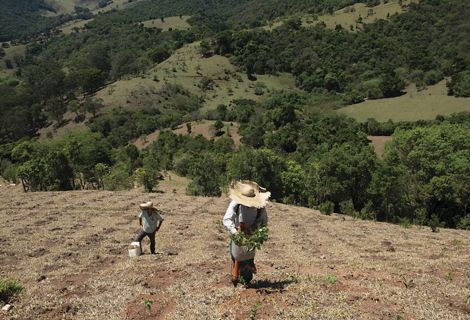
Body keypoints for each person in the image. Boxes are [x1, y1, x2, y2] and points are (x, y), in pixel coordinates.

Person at [223, 180, 269, 286]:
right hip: (238, 234)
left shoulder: (259, 206)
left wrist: (255, 227)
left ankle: (247, 280)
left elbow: (263, 220)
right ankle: (236, 279)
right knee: (236, 256)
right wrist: (235, 232)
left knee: (249, 256)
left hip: (252, 235)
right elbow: (227, 219)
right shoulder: (236, 204)